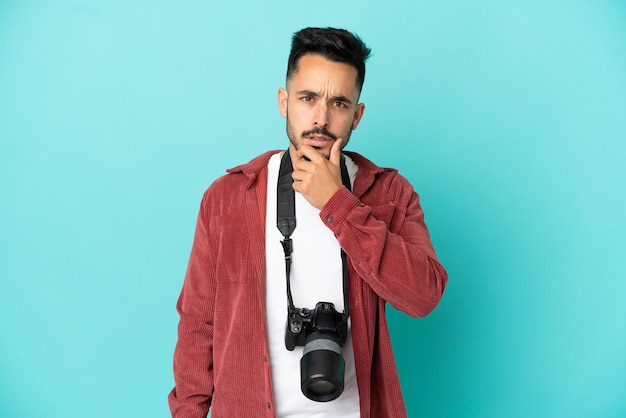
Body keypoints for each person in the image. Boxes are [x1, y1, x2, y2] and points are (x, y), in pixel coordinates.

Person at [168, 27, 448, 418]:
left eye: (338, 103)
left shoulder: (389, 194)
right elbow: (199, 324)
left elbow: (423, 296)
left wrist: (339, 203)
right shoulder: (229, 197)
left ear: (357, 114)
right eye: (308, 98)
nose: (320, 118)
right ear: (284, 102)